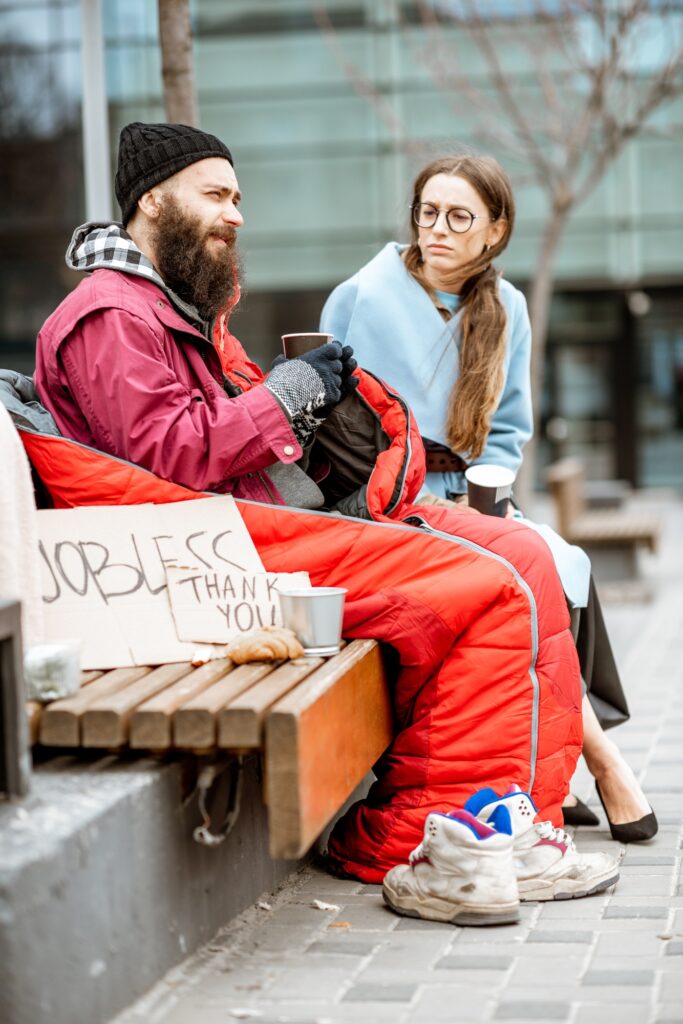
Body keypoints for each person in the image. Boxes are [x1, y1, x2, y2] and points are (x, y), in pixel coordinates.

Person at [27, 122, 621, 908]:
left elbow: (219, 442)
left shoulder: (170, 304)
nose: (235, 214)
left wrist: (313, 417)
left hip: (252, 524)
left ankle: (510, 823)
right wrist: (287, 395)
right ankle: (431, 839)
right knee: (487, 586)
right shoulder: (111, 315)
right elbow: (170, 456)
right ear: (150, 200)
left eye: (237, 197)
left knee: (525, 553)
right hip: (204, 554)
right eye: (215, 195)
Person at [321, 153, 657, 843]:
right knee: (527, 569)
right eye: (427, 212)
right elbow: (328, 427)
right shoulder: (359, 296)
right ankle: (600, 759)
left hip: (475, 496)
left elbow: (507, 429)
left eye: (458, 217)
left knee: (559, 563)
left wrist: (489, 496)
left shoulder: (505, 308)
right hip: (388, 503)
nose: (436, 229)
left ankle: (555, 763)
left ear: (494, 231)